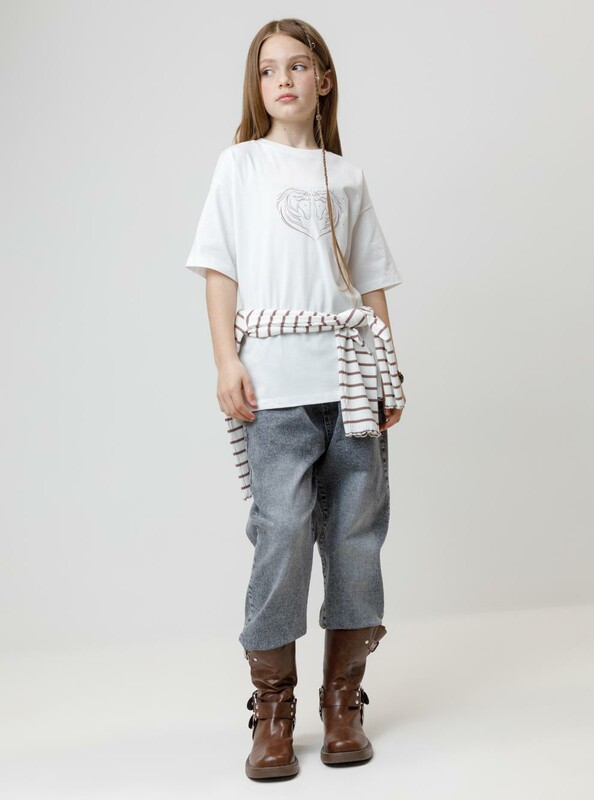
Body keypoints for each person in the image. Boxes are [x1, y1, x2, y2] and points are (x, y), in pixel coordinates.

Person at [184, 18, 407, 781]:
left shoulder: (347, 176)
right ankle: (273, 709)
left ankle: (343, 703)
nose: (283, 79)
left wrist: (388, 372)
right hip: (275, 386)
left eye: (299, 66)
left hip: (350, 382)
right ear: (258, 86)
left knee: (355, 537)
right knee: (280, 534)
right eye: (268, 69)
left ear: (324, 80)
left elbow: (370, 283)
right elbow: (219, 270)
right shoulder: (240, 165)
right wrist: (226, 360)